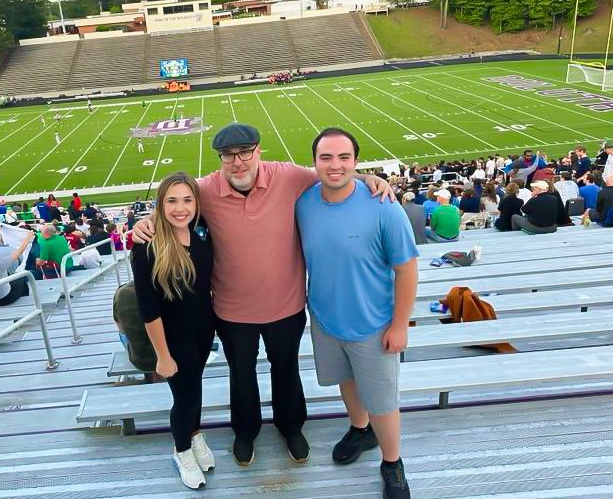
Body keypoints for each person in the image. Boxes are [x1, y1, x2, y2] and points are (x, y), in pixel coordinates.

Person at [133, 123, 394, 467]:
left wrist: (370, 179)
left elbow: (330, 172)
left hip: (285, 305)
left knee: (285, 370)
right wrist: (148, 219)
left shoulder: (286, 176)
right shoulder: (207, 189)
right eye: (229, 155)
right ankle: (245, 432)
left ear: (258, 151)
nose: (238, 162)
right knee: (241, 375)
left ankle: (291, 427)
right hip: (231, 309)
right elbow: (176, 198)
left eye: (245, 152)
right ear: (221, 159)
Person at [296, 128, 417, 499]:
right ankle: (360, 428)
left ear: (356, 162)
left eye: (344, 158)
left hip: (373, 322)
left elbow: (407, 269)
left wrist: (400, 325)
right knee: (346, 381)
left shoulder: (383, 206)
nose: (335, 165)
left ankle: (392, 463)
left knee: (382, 400)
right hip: (326, 318)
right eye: (326, 158)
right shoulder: (303, 202)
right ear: (314, 162)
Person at [131, 172, 216, 490]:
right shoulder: (147, 247)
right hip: (174, 339)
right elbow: (148, 310)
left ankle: (195, 435)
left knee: (195, 391)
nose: (180, 208)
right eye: (171, 201)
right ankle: (181, 450)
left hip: (204, 331)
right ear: (159, 205)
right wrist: (163, 356)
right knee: (185, 399)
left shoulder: (199, 232)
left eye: (187, 200)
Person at [0, 226, 33, 306]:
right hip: (3, 299)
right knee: (21, 278)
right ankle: (25, 306)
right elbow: (20, 251)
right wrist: (28, 237)